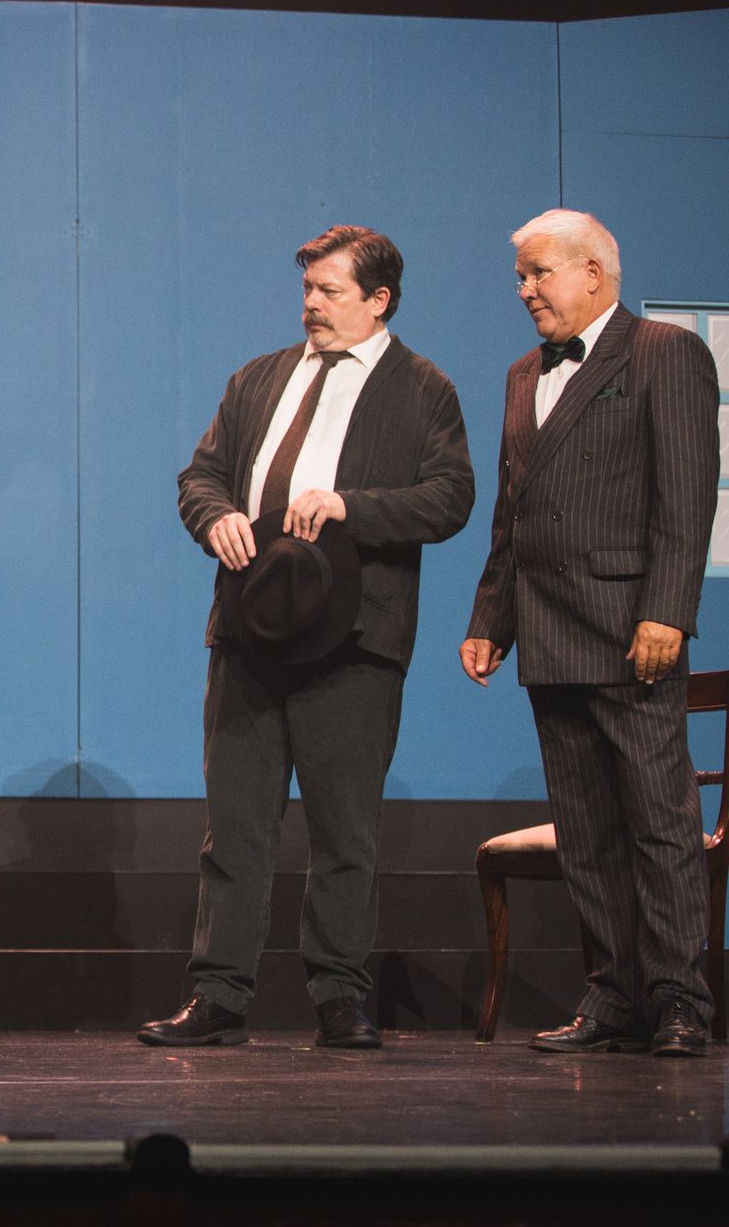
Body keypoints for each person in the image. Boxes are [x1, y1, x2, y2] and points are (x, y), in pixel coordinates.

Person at [143, 226, 473, 1050]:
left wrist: (350, 506)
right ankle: (219, 995)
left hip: (355, 641)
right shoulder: (259, 378)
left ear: (379, 300)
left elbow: (450, 498)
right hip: (252, 629)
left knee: (344, 831)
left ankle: (340, 997)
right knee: (236, 826)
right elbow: (199, 476)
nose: (311, 305)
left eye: (330, 291)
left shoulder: (422, 387)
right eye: (308, 290)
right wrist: (215, 516)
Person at [462, 209, 719, 1058]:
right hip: (548, 627)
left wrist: (667, 610)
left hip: (628, 627)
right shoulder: (521, 373)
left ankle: (679, 1000)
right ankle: (615, 995)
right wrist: (491, 618)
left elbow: (687, 494)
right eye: (521, 276)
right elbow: (515, 508)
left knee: (658, 822)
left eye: (539, 272)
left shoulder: (662, 353)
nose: (525, 290)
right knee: (586, 829)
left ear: (594, 274)